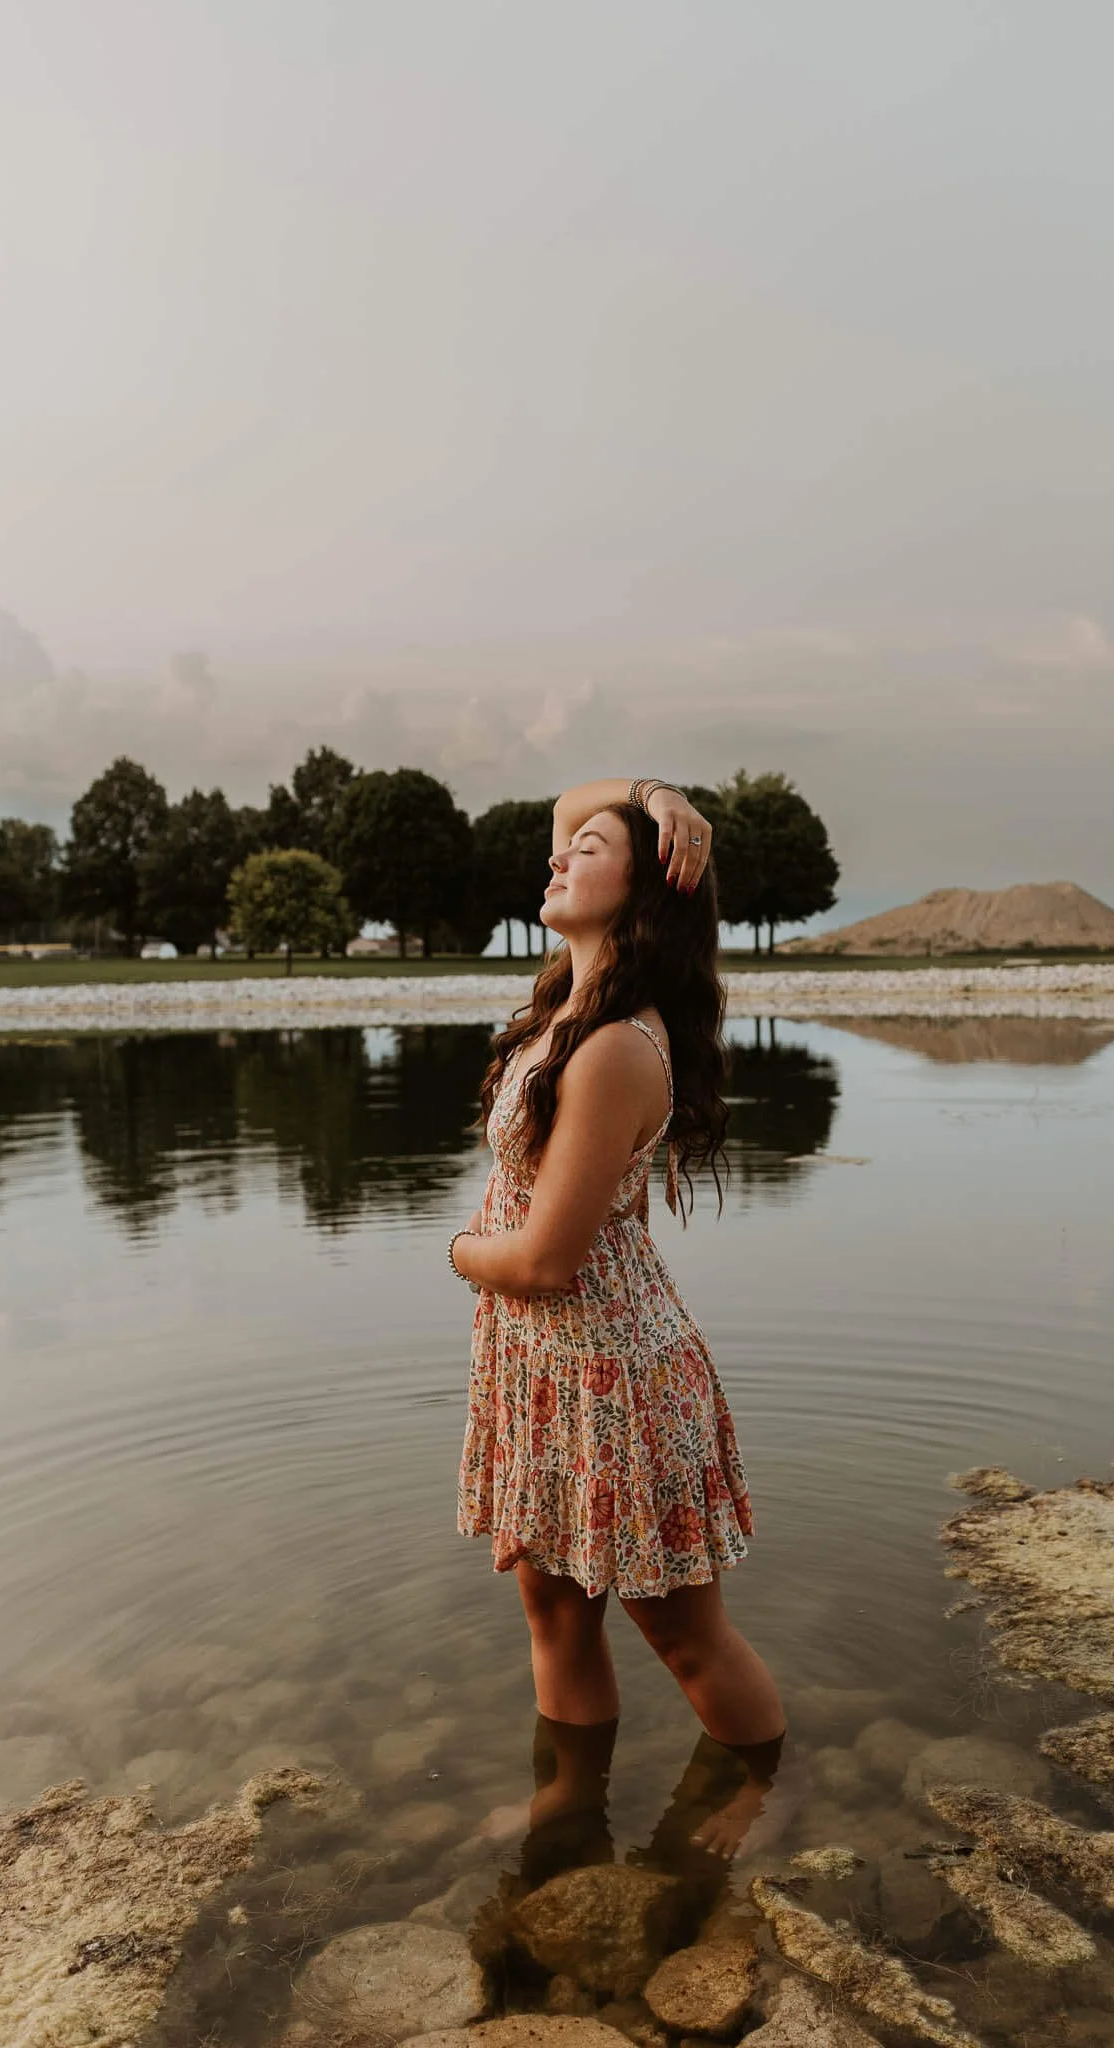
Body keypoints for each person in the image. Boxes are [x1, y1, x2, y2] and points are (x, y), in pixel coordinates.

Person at [450, 776, 785, 1856]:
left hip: (616, 1375)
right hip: (545, 1366)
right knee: (552, 1610)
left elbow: (545, 1260)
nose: (554, 859)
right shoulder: (568, 1008)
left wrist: (457, 1248)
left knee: (684, 1635)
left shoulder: (611, 1050)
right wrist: (646, 793)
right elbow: (568, 802)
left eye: (586, 850)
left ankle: (759, 1790)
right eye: (563, 849)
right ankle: (565, 1805)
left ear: (642, 893)